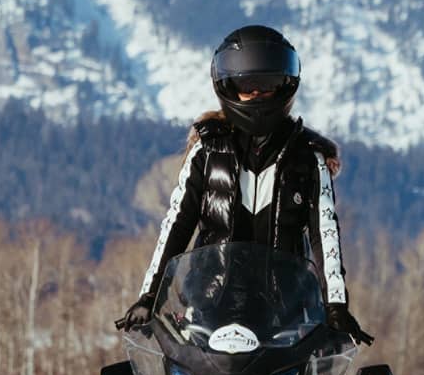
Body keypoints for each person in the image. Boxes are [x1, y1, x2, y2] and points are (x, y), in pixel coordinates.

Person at [118, 24, 371, 344]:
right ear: (227, 84)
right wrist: (149, 296)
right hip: (208, 307)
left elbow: (326, 236)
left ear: (285, 86)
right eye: (246, 84)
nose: (256, 94)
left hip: (288, 312)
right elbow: (176, 225)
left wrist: (335, 306)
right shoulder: (206, 152)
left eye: (267, 84)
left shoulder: (308, 158)